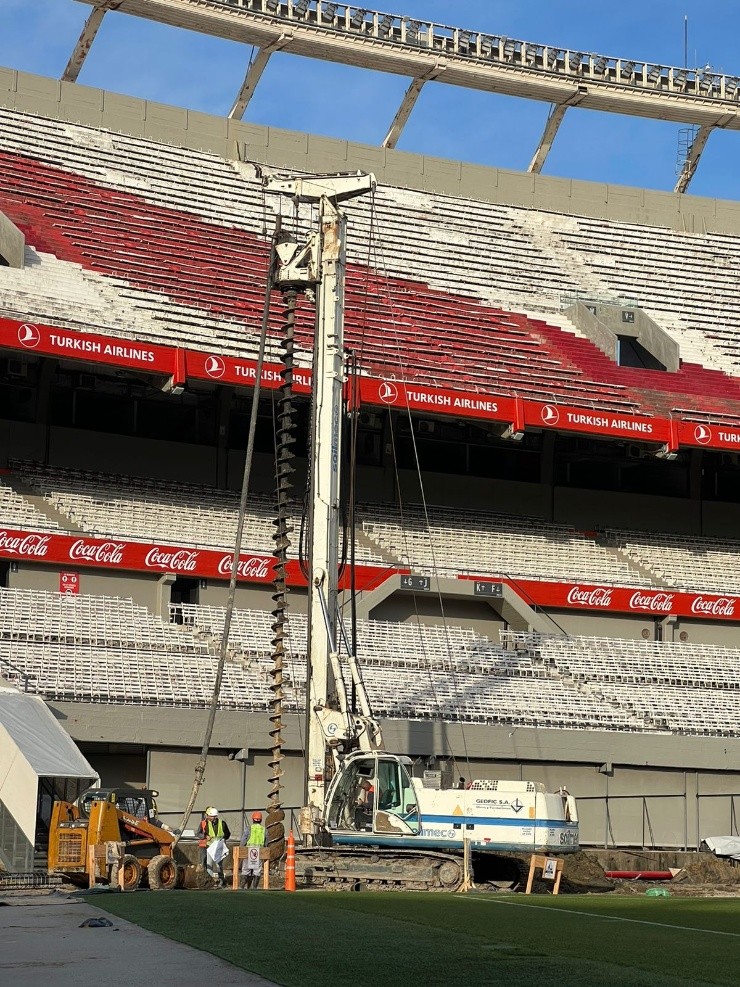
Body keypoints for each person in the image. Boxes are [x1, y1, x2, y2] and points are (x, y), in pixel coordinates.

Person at [197, 806, 231, 887]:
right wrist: (206, 836)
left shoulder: (222, 823)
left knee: (219, 866)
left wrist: (223, 838)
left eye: (210, 816)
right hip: (210, 847)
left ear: (214, 816)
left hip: (219, 847)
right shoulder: (205, 823)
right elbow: (200, 833)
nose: (208, 817)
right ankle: (212, 882)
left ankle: (221, 881)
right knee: (209, 865)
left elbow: (227, 834)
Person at [240, 810, 266, 890]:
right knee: (257, 871)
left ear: (253, 819)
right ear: (261, 820)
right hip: (259, 853)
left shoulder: (249, 828)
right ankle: (254, 888)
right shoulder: (264, 829)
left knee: (245, 870)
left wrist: (241, 849)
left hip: (248, 852)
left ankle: (242, 887)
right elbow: (266, 842)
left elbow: (243, 840)